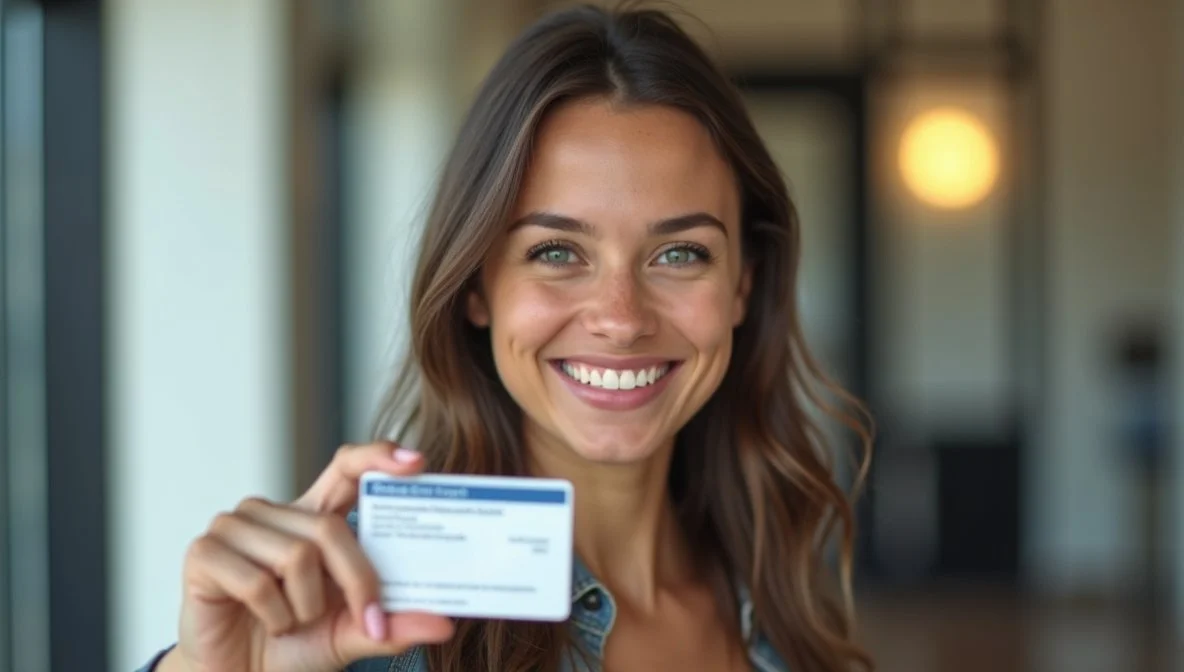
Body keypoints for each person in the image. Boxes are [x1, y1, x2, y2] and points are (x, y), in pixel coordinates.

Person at [140, 4, 873, 672]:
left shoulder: (783, 588)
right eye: (556, 253)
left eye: (680, 254)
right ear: (476, 287)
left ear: (743, 284)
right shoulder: (360, 614)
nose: (620, 318)